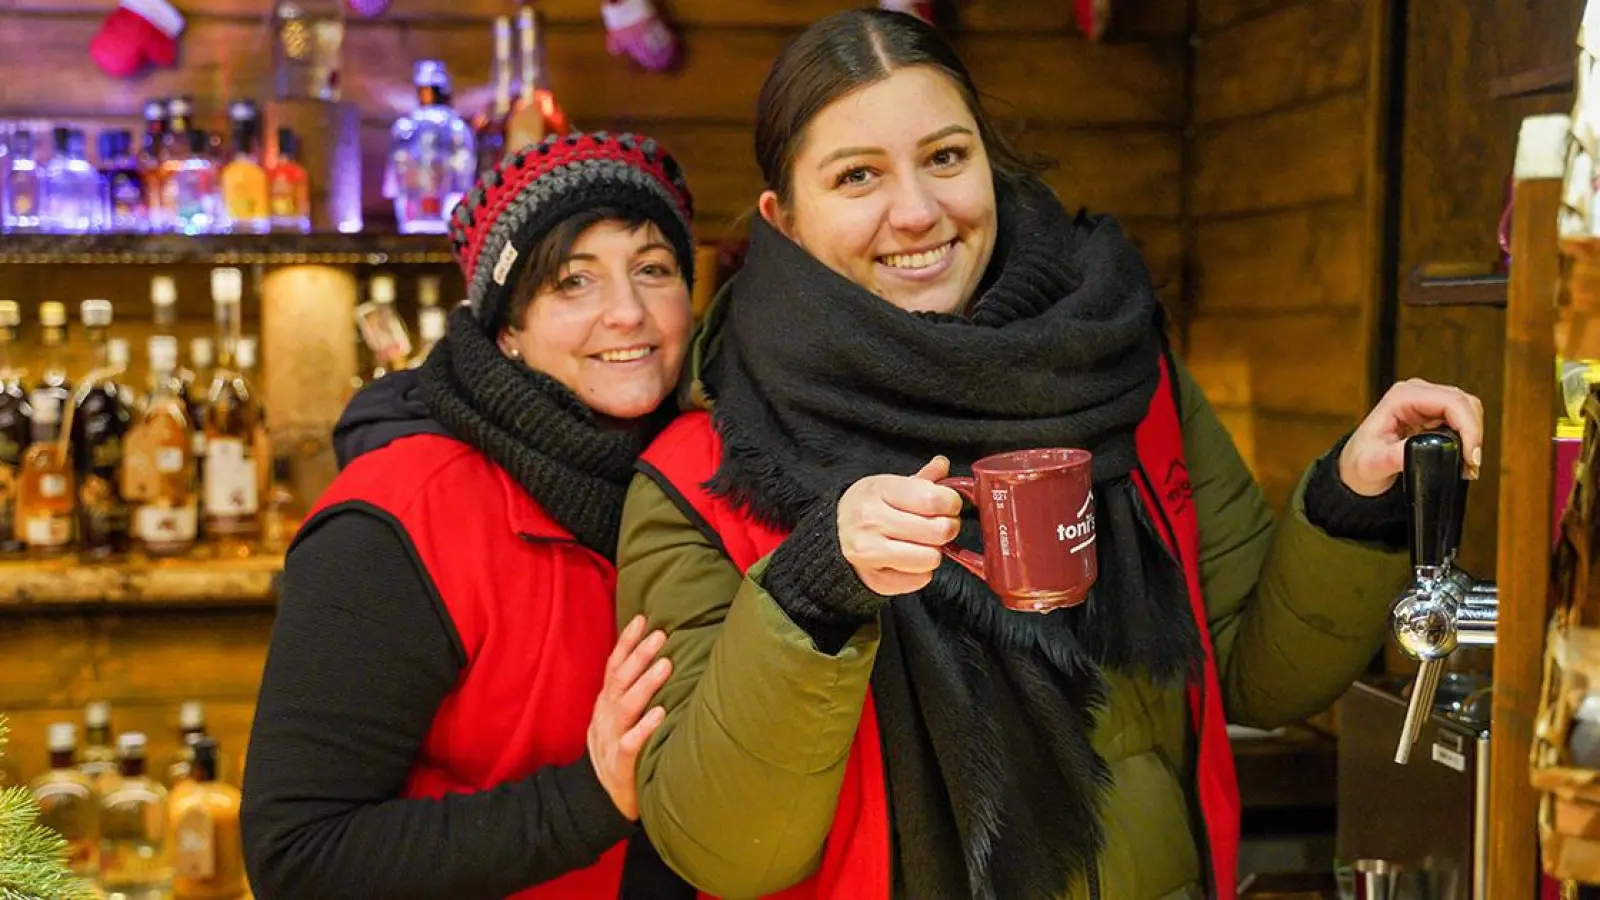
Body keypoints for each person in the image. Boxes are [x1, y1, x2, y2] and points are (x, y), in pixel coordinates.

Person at [615, 10, 1485, 900]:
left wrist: (1351, 497)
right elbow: (723, 848)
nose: (916, 212)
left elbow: (1255, 677)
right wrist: (810, 590)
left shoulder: (1125, 378)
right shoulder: (698, 483)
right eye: (857, 176)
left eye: (947, 157)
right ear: (785, 219)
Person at [241, 132, 701, 900]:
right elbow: (299, 858)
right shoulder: (397, 519)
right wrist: (590, 801)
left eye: (653, 270)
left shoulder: (710, 481)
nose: (627, 313)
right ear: (507, 330)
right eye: (572, 282)